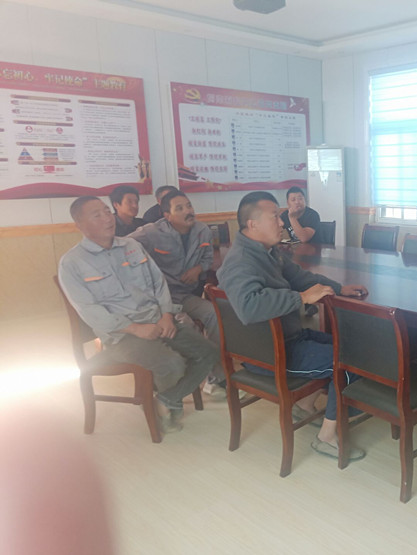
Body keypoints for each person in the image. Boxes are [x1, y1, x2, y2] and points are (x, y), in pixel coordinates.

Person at [217, 191, 368, 461]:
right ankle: (326, 437)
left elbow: (299, 277)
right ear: (252, 224)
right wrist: (300, 298)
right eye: (275, 217)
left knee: (354, 346)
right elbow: (249, 306)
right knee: (350, 359)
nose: (282, 223)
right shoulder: (241, 261)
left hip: (287, 338)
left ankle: (305, 405)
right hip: (269, 353)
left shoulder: (266, 251)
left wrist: (338, 288)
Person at [58, 196, 219, 432]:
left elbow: (158, 283)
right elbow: (89, 311)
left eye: (107, 211)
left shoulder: (131, 246)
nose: (107, 218)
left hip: (158, 320)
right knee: (172, 363)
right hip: (122, 335)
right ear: (79, 225)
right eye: (97, 215)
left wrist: (166, 315)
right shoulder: (72, 263)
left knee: (209, 353)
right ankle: (167, 411)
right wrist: (135, 329)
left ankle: (165, 400)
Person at [129, 190, 226, 398]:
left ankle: (216, 376)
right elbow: (124, 244)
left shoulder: (202, 230)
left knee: (215, 314)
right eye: (179, 208)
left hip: (186, 295)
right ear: (167, 215)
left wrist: (199, 268)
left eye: (189, 205)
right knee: (187, 326)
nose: (188, 211)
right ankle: (189, 380)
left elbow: (208, 258)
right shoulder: (152, 232)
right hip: (161, 300)